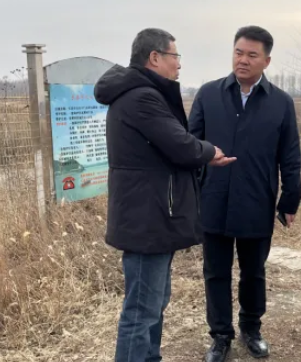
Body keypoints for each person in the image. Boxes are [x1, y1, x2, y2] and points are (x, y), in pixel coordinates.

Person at [94, 28, 235, 362]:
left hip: (151, 215)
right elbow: (180, 144)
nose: (179, 65)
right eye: (175, 56)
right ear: (155, 57)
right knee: (141, 310)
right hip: (147, 219)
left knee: (154, 302)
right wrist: (209, 151)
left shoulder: (139, 93)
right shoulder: (142, 97)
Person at [189, 25, 301, 362]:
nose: (243, 60)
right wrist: (192, 191)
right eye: (239, 52)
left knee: (254, 272)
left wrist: (290, 199)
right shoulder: (209, 95)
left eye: (252, 55)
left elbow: (290, 155)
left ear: (266, 61)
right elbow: (190, 146)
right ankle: (220, 335)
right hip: (214, 199)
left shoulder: (280, 103)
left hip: (257, 200)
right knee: (216, 272)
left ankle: (251, 329)